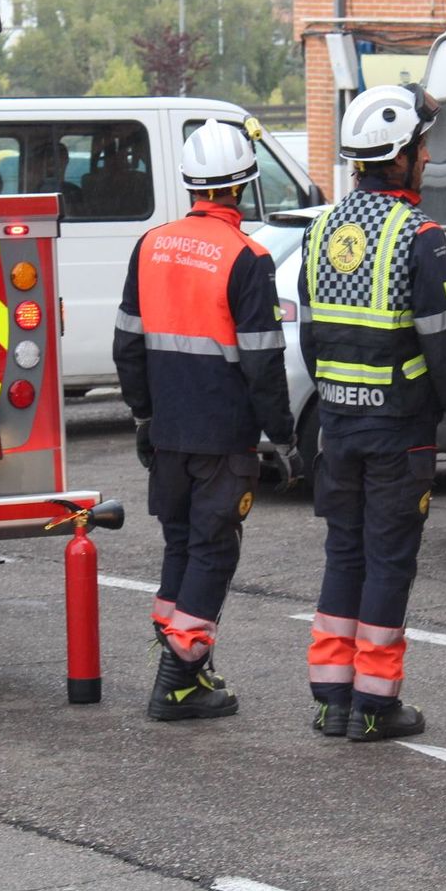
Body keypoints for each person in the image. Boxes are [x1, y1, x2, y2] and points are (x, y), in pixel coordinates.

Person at [299, 84, 446, 742]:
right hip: (398, 433)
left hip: (338, 430)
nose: (427, 157)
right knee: (389, 562)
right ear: (398, 157)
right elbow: (443, 344)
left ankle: (331, 699)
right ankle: (374, 705)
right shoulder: (418, 237)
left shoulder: (320, 232)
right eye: (421, 147)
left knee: (344, 556)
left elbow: (311, 340)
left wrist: (340, 400)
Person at [114, 119, 304, 721]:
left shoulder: (150, 245)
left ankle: (183, 665)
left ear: (191, 183)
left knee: (181, 545)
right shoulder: (249, 257)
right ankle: (178, 681)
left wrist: (144, 415)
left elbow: (127, 345)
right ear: (243, 184)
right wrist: (284, 436)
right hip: (224, 437)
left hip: (168, 431)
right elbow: (263, 360)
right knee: (213, 552)